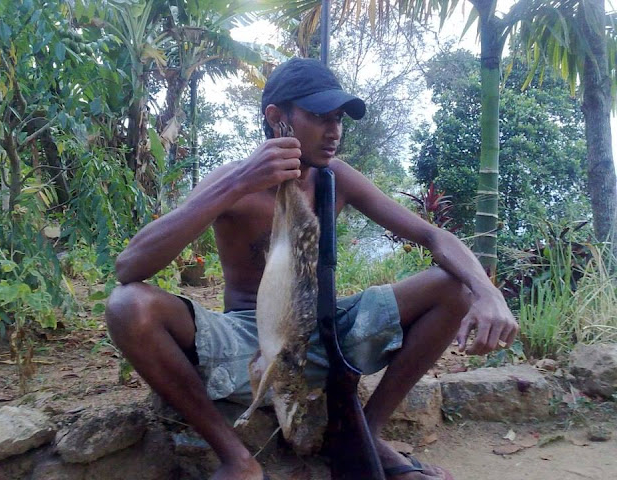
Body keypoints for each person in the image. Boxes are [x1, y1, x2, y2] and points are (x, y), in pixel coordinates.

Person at [106, 57, 519, 480]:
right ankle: (237, 459)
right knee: (128, 306)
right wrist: (237, 183)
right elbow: (130, 266)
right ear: (276, 118)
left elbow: (432, 236)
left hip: (328, 330)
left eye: (338, 118)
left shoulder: (334, 178)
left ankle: (363, 434)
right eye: (320, 117)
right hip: (253, 341)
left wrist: (488, 292)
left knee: (455, 287)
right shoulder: (233, 181)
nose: (334, 131)